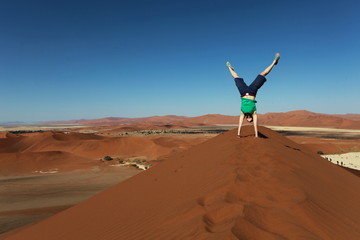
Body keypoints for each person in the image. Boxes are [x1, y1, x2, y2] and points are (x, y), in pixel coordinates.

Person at [226, 53, 280, 138]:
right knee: (262, 74)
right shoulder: (254, 113)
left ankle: (229, 67)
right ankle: (274, 62)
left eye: (248, 120)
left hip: (243, 92)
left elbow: (240, 123)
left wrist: (238, 134)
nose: (249, 120)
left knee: (236, 77)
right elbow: (255, 124)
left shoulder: (242, 113)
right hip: (252, 91)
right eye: (250, 120)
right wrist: (256, 135)